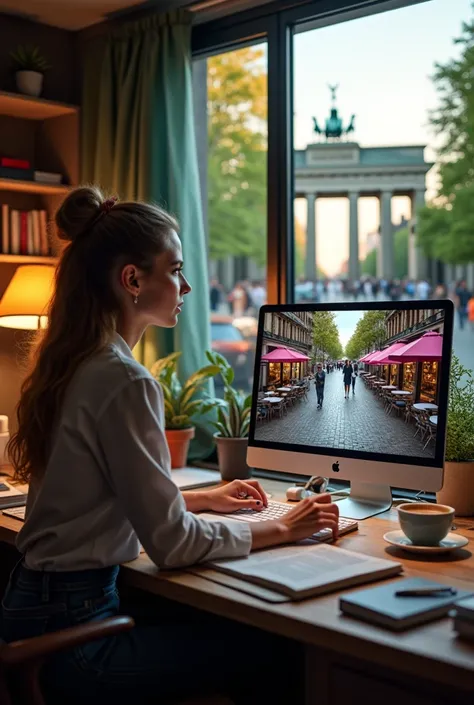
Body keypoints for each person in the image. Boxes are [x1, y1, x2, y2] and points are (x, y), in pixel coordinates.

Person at [1, 186, 340, 705]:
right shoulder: (124, 381)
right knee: (273, 646)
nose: (185, 286)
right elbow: (173, 546)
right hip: (74, 638)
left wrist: (197, 499)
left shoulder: (74, 364)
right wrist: (283, 527)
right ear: (132, 280)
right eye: (175, 269)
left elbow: (89, 498)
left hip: (35, 609)